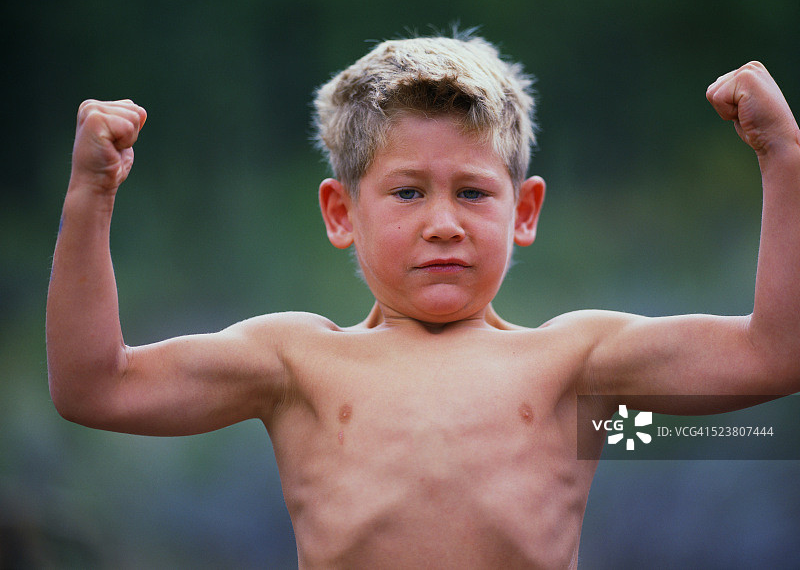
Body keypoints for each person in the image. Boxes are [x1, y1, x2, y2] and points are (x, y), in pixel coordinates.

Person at [46, 32, 800, 568]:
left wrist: (783, 158)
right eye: (407, 191)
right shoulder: (296, 361)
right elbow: (95, 385)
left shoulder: (577, 365)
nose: (444, 222)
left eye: (473, 191)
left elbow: (774, 352)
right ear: (342, 212)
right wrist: (91, 196)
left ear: (524, 210)